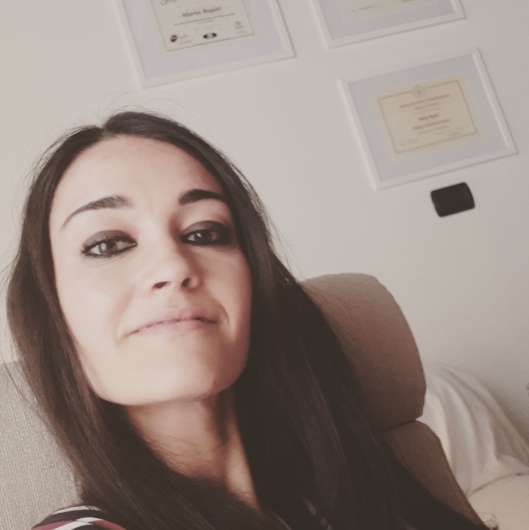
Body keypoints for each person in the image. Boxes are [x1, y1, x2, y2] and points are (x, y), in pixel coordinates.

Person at [7, 111, 490, 530]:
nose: (173, 264)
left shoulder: (346, 489)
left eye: (204, 233)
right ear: (53, 315)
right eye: (107, 244)